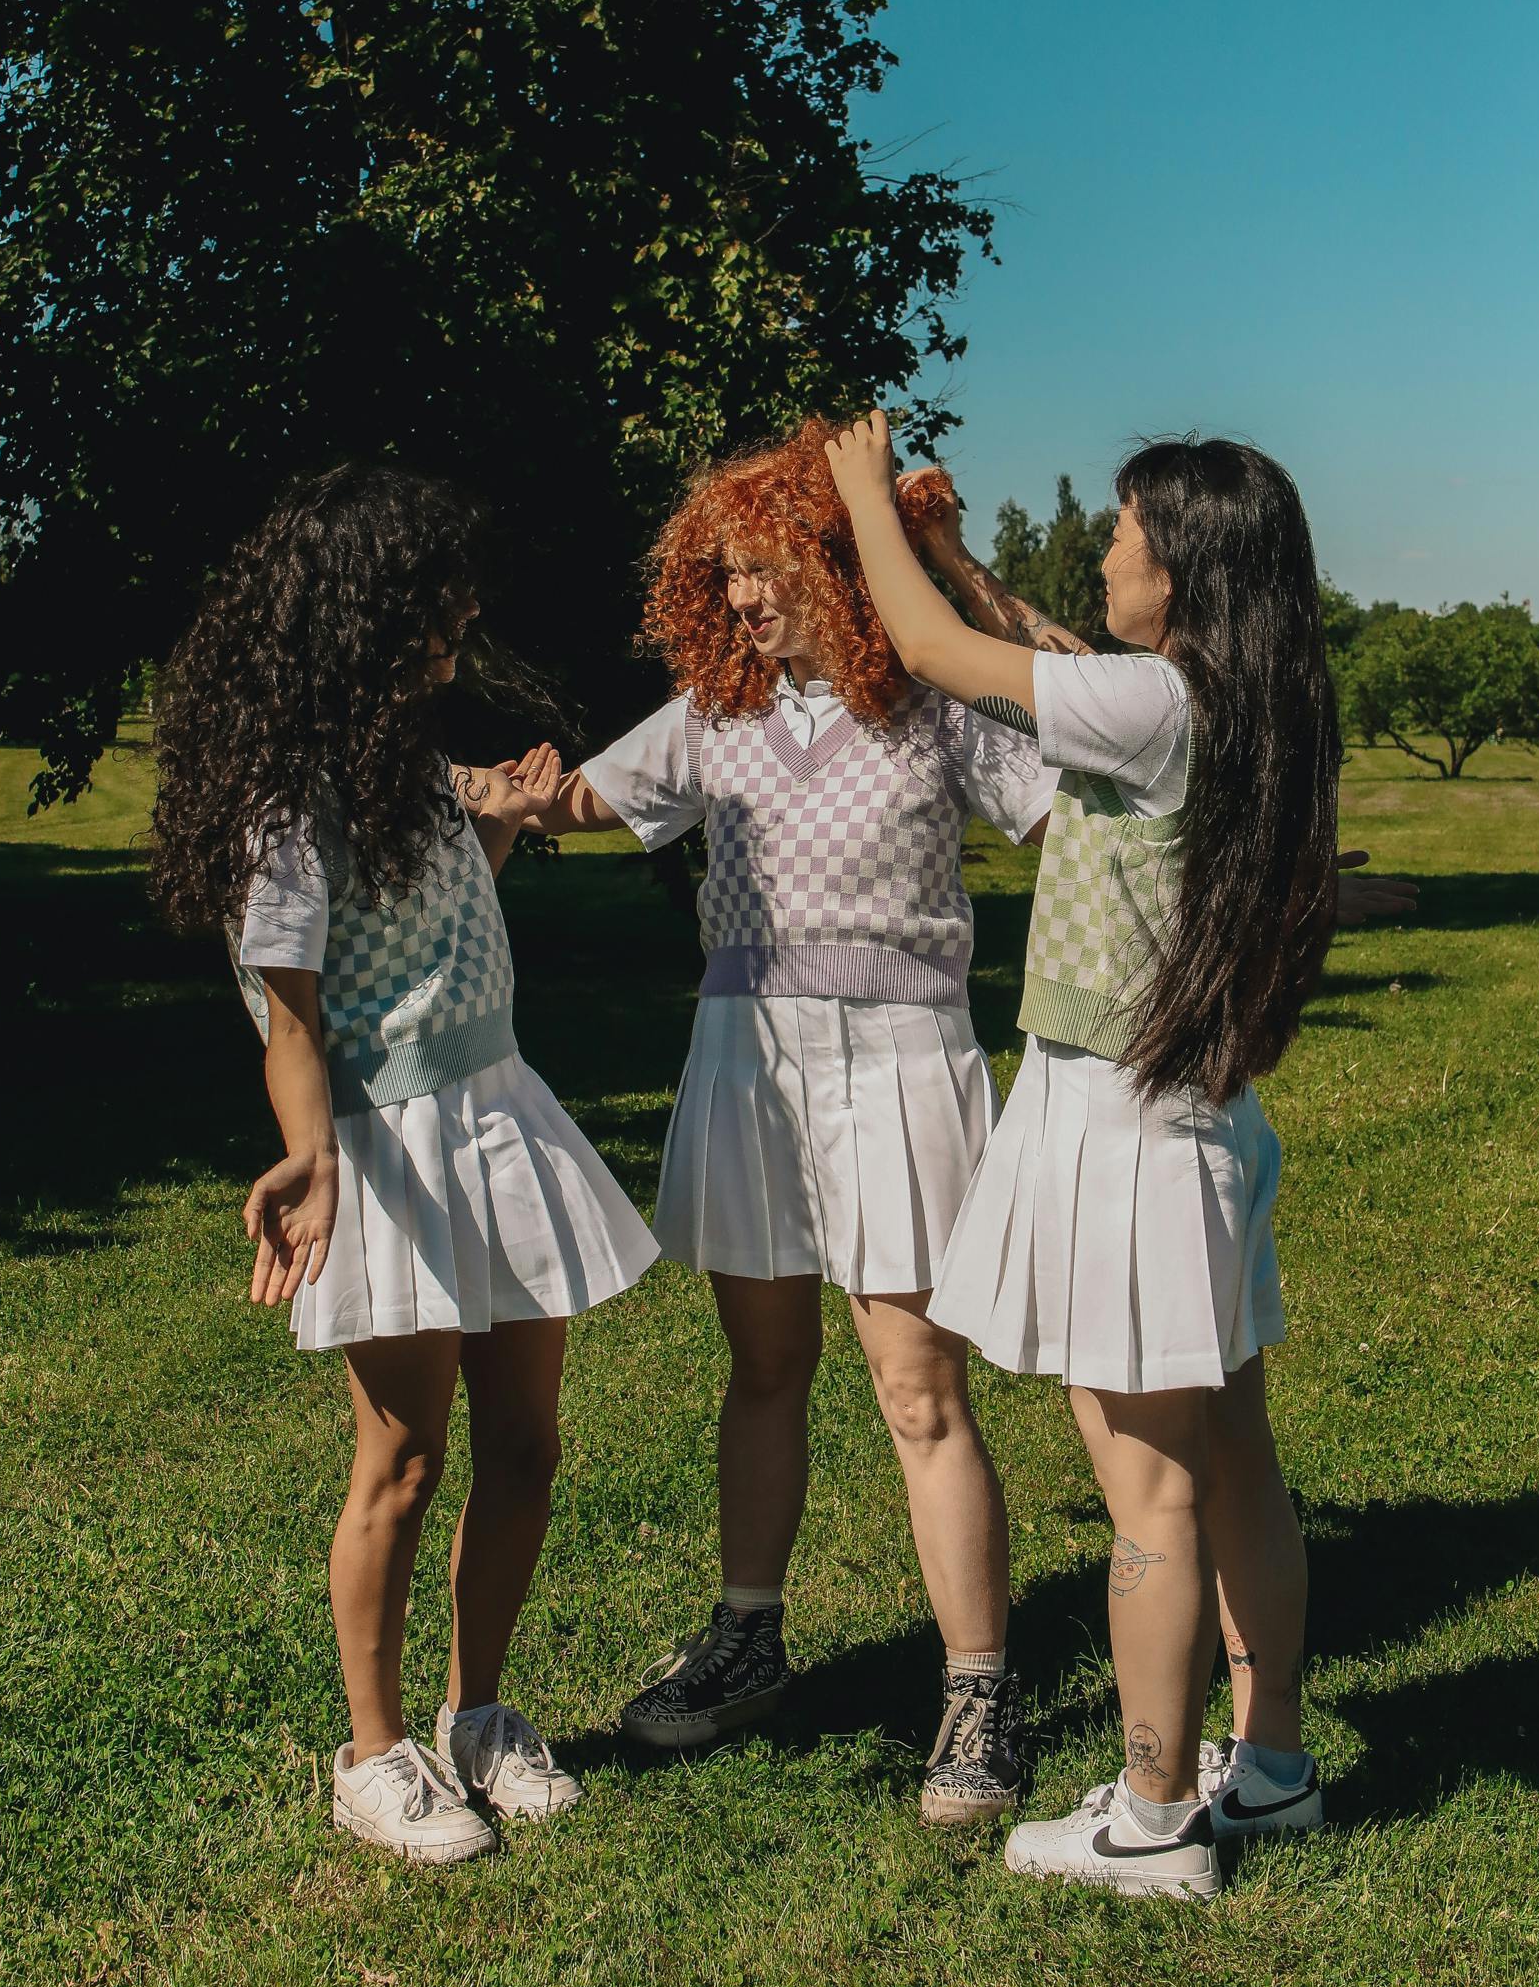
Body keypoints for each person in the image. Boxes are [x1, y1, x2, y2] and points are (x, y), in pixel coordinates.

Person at [826, 412, 1400, 1900]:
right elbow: (1050, 650)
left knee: (1146, 1491)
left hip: (1127, 1135)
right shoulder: (1235, 701)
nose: (1103, 545)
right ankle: (1264, 1770)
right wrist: (953, 555)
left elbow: (953, 664)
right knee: (1239, 1468)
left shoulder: (1155, 709)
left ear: (1186, 573)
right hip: (1203, 1123)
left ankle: (1151, 1818)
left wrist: (865, 511)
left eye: (1126, 529)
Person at [528, 420, 1075, 1825]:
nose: (746, 600)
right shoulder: (716, 716)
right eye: (728, 577)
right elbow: (578, 796)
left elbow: (1085, 805)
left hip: (901, 1058)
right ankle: (747, 1637)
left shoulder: (942, 706)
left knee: (917, 1387)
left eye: (767, 570)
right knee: (763, 1366)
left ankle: (979, 1690)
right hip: (746, 1056)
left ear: (842, 566)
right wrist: (454, 792)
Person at [150, 463, 658, 1867]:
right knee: (406, 1456)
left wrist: (490, 823)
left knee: (530, 1444)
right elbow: (294, 1021)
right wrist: (311, 1158)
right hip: (391, 1148)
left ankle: (478, 1717)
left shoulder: (408, 767)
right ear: (367, 614)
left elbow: (435, 924)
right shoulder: (285, 802)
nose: (465, 613)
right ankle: (372, 1755)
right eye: (439, 595)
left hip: (501, 1115)